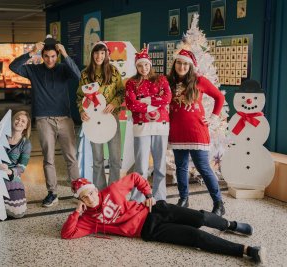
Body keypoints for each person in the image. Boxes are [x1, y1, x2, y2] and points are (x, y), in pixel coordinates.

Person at [61, 174, 266, 265]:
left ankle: (230, 225)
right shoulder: (87, 220)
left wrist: (148, 194)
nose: (90, 198)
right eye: (84, 197)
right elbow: (67, 234)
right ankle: (246, 250)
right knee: (195, 236)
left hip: (154, 211)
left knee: (200, 217)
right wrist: (77, 213)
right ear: (80, 200)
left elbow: (134, 177)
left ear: (96, 189)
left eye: (91, 193)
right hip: (148, 231)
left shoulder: (112, 191)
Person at [9, 35, 80, 207]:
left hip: (64, 119)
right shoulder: (34, 70)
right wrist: (31, 52)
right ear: (42, 56)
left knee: (71, 157)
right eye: (46, 56)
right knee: (48, 158)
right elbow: (13, 66)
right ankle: (52, 193)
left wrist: (66, 55)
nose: (49, 60)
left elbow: (78, 75)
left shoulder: (64, 69)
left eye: (53, 56)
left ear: (57, 56)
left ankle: (78, 190)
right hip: (43, 120)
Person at [167, 49, 226, 216]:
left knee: (203, 167)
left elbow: (219, 97)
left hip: (196, 131)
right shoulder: (169, 82)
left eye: (185, 63)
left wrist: (213, 117)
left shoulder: (199, 80)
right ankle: (184, 199)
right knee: (181, 167)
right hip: (177, 132)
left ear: (190, 66)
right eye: (179, 62)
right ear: (175, 64)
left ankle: (218, 203)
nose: (182, 66)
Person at [76, 41, 124, 190]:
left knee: (115, 158)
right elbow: (79, 97)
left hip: (111, 118)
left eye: (102, 53)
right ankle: (100, 190)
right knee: (97, 158)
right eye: (96, 53)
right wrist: (82, 111)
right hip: (93, 121)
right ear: (92, 54)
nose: (99, 56)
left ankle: (114, 189)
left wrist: (114, 103)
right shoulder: (85, 74)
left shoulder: (114, 72)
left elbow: (122, 92)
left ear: (106, 54)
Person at [125, 47, 171, 202]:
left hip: (161, 127)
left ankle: (160, 198)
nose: (143, 68)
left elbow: (167, 98)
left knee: (160, 167)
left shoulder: (161, 79)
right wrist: (153, 104)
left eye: (146, 65)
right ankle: (137, 199)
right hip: (141, 128)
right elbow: (131, 104)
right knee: (141, 168)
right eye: (140, 65)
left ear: (150, 64)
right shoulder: (131, 83)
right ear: (136, 66)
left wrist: (145, 101)